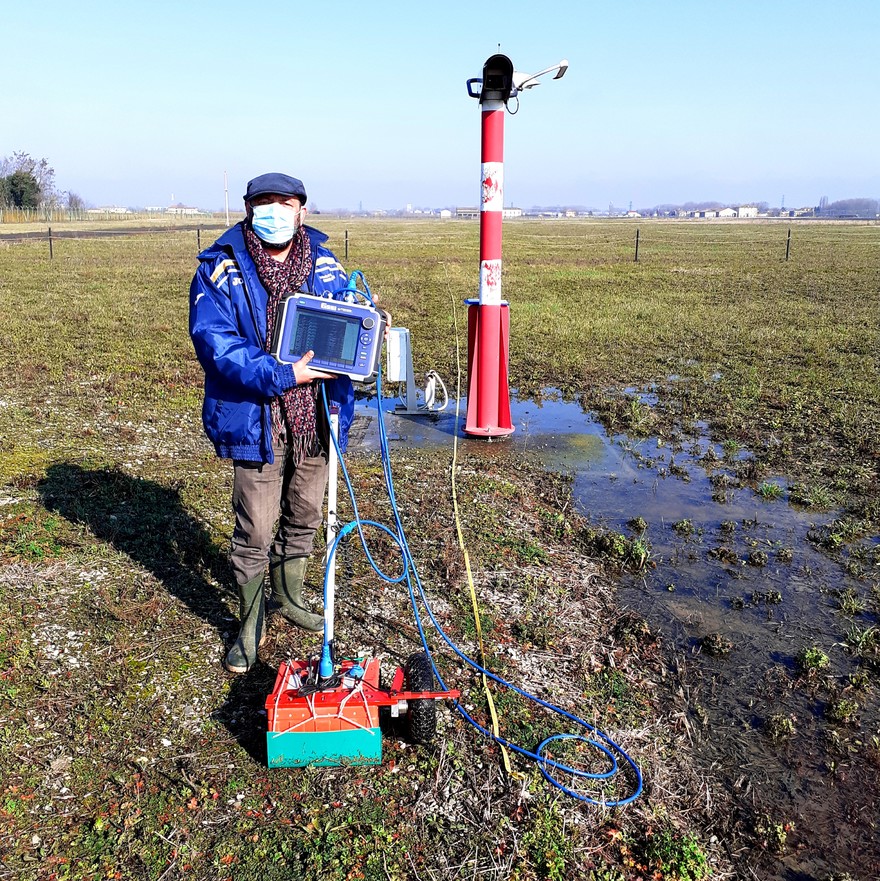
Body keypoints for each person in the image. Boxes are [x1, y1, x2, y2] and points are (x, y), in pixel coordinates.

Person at [189, 172, 355, 674]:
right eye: (265, 202)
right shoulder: (219, 268)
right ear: (247, 207)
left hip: (317, 417)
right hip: (255, 417)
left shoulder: (325, 263)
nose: (276, 211)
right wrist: (284, 373)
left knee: (305, 512)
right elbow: (216, 345)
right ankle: (250, 622)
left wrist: (369, 327)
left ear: (303, 210)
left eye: (286, 203)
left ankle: (289, 596)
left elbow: (348, 313)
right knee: (256, 527)